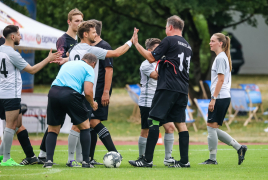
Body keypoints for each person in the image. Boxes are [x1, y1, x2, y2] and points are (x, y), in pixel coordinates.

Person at [54, 20, 134, 166]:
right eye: (93, 32)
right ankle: (77, 159)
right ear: (85, 34)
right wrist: (131, 42)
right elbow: (116, 53)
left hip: (74, 92)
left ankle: (78, 159)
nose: (96, 34)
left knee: (80, 125)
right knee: (83, 125)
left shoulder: (73, 50)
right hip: (87, 93)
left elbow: (70, 61)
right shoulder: (92, 50)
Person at [129, 15, 191, 168]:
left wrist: (136, 43)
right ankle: (184, 162)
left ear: (170, 27)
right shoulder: (187, 45)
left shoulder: (169, 40)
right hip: (183, 89)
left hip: (168, 87)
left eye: (165, 27)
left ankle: (147, 160)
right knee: (180, 123)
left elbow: (150, 57)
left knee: (153, 120)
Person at [0, 25, 60, 166]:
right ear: (13, 37)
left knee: (17, 123)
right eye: (19, 34)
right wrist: (48, 58)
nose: (21, 37)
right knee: (10, 125)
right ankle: (6, 158)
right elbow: (32, 70)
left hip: (1, 94)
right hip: (10, 95)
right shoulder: (12, 53)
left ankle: (4, 154)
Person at [38, 8, 84, 165]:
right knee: (56, 124)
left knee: (58, 123)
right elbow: (59, 59)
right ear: (69, 22)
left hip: (76, 87)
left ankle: (44, 154)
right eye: (76, 20)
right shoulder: (63, 40)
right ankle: (45, 154)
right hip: (64, 86)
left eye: (81, 20)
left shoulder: (79, 42)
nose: (79, 23)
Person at [43, 53, 98, 168]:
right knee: (85, 126)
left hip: (53, 92)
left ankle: (48, 161)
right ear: (93, 63)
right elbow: (88, 92)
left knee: (52, 129)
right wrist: (92, 103)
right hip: (70, 93)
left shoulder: (68, 63)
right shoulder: (89, 68)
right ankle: (86, 162)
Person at [199, 33, 247, 165]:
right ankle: (239, 147)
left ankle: (212, 159)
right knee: (212, 128)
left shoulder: (220, 58)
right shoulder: (222, 57)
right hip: (222, 97)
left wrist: (213, 98)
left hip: (220, 97)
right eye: (210, 41)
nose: (210, 43)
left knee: (211, 128)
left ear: (220, 43)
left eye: (213, 41)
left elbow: (220, 80)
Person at [128, 38, 176, 166]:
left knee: (170, 127)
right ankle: (142, 158)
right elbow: (157, 76)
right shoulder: (146, 64)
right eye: (157, 49)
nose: (161, 51)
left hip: (161, 102)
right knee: (145, 130)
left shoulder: (163, 63)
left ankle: (168, 158)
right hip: (147, 102)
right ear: (149, 51)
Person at [87, 19, 116, 165]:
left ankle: (114, 153)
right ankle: (90, 158)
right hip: (91, 91)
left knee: (94, 121)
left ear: (95, 32)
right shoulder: (89, 47)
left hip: (99, 92)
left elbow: (109, 70)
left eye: (90, 30)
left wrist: (106, 92)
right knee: (91, 124)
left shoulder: (104, 47)